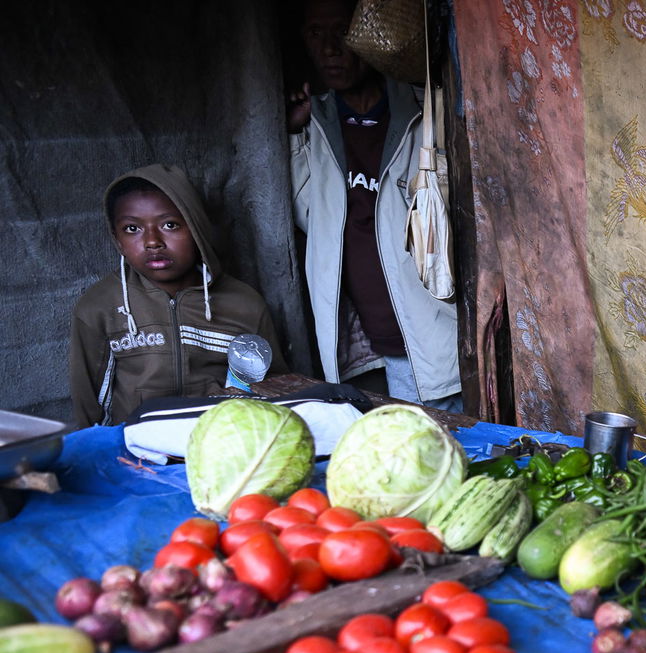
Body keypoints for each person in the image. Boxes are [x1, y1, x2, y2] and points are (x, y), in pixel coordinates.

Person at [287, 0, 463, 411]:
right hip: (364, 343)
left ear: (370, 36)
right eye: (316, 33)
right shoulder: (318, 122)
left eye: (343, 32)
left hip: (429, 342)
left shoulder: (426, 113)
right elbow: (309, 218)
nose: (330, 48)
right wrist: (295, 135)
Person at [69, 165, 288, 428]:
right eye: (132, 229)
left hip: (221, 445)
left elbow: (273, 387)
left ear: (197, 229)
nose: (152, 241)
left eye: (170, 225)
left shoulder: (244, 304)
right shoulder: (99, 306)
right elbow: (89, 407)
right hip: (138, 450)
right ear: (116, 239)